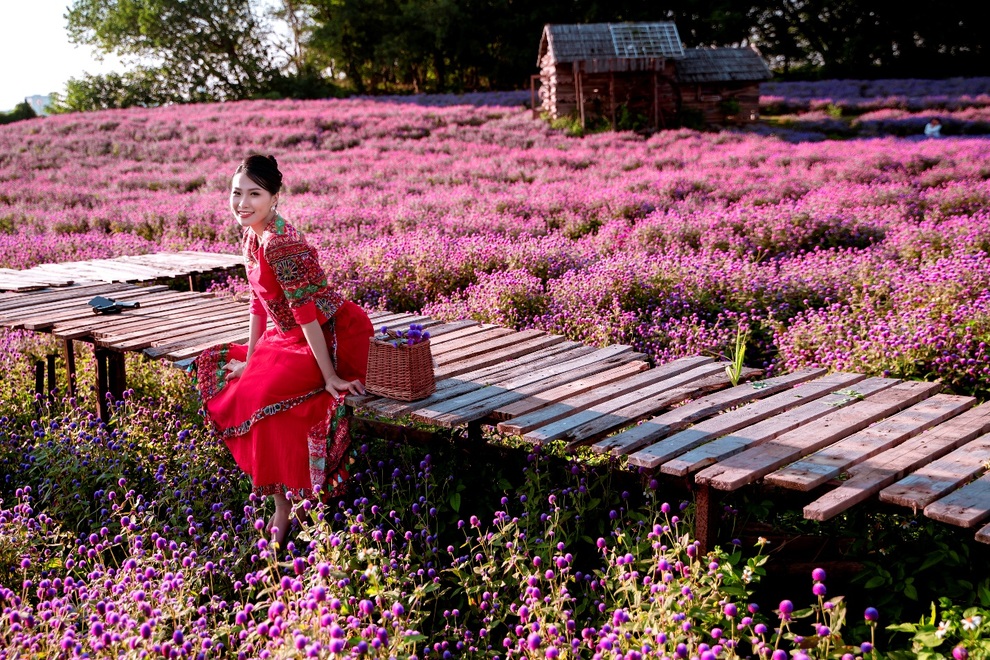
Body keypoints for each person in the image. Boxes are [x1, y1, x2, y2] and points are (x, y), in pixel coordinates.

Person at [194, 154, 372, 546]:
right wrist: (252, 358)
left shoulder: (280, 243)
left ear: (274, 197)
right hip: (289, 334)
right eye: (236, 193)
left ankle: (299, 498)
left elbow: (307, 313)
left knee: (261, 391)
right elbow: (258, 303)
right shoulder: (251, 234)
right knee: (237, 379)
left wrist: (329, 376)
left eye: (254, 194)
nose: (242, 203)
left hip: (330, 335)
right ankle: (283, 501)